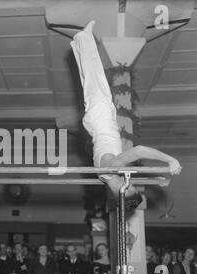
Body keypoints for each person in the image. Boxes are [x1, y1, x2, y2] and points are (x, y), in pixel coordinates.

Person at [70, 21, 182, 209]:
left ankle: (83, 37)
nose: (131, 185)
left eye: (132, 189)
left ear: (125, 193)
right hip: (98, 125)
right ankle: (78, 44)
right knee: (89, 82)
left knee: (95, 76)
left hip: (101, 120)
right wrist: (157, 180)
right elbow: (131, 166)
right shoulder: (106, 177)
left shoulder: (111, 169)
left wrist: (170, 160)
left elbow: (139, 151)